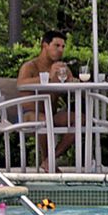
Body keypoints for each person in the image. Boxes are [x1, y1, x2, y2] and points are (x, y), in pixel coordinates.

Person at [17, 29, 75, 171]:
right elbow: (21, 84)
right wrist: (48, 76)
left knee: (80, 120)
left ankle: (51, 159)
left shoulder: (61, 68)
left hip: (52, 114)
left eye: (63, 46)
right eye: (56, 45)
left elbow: (71, 88)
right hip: (30, 114)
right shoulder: (30, 66)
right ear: (45, 46)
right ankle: (46, 160)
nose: (61, 50)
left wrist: (72, 81)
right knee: (44, 120)